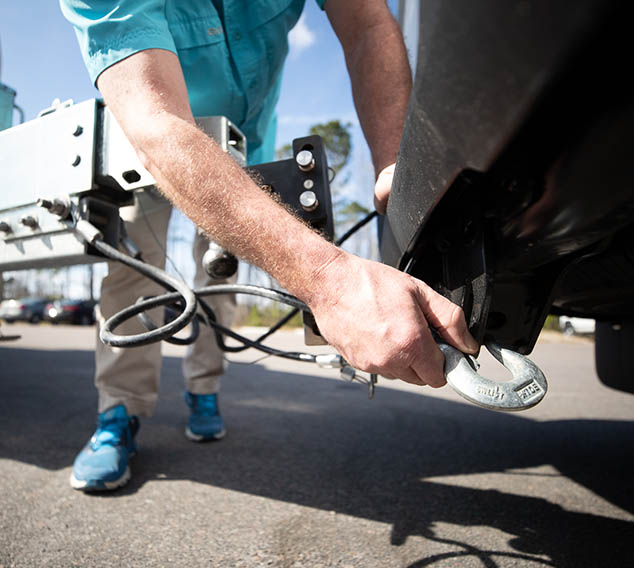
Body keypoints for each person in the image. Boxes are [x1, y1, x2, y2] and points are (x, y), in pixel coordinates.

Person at [60, 0, 479, 492]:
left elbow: (366, 23)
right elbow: (157, 125)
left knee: (220, 275)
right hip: (149, 144)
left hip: (246, 146)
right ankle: (120, 411)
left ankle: (204, 390)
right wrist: (329, 282)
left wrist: (395, 170)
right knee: (134, 269)